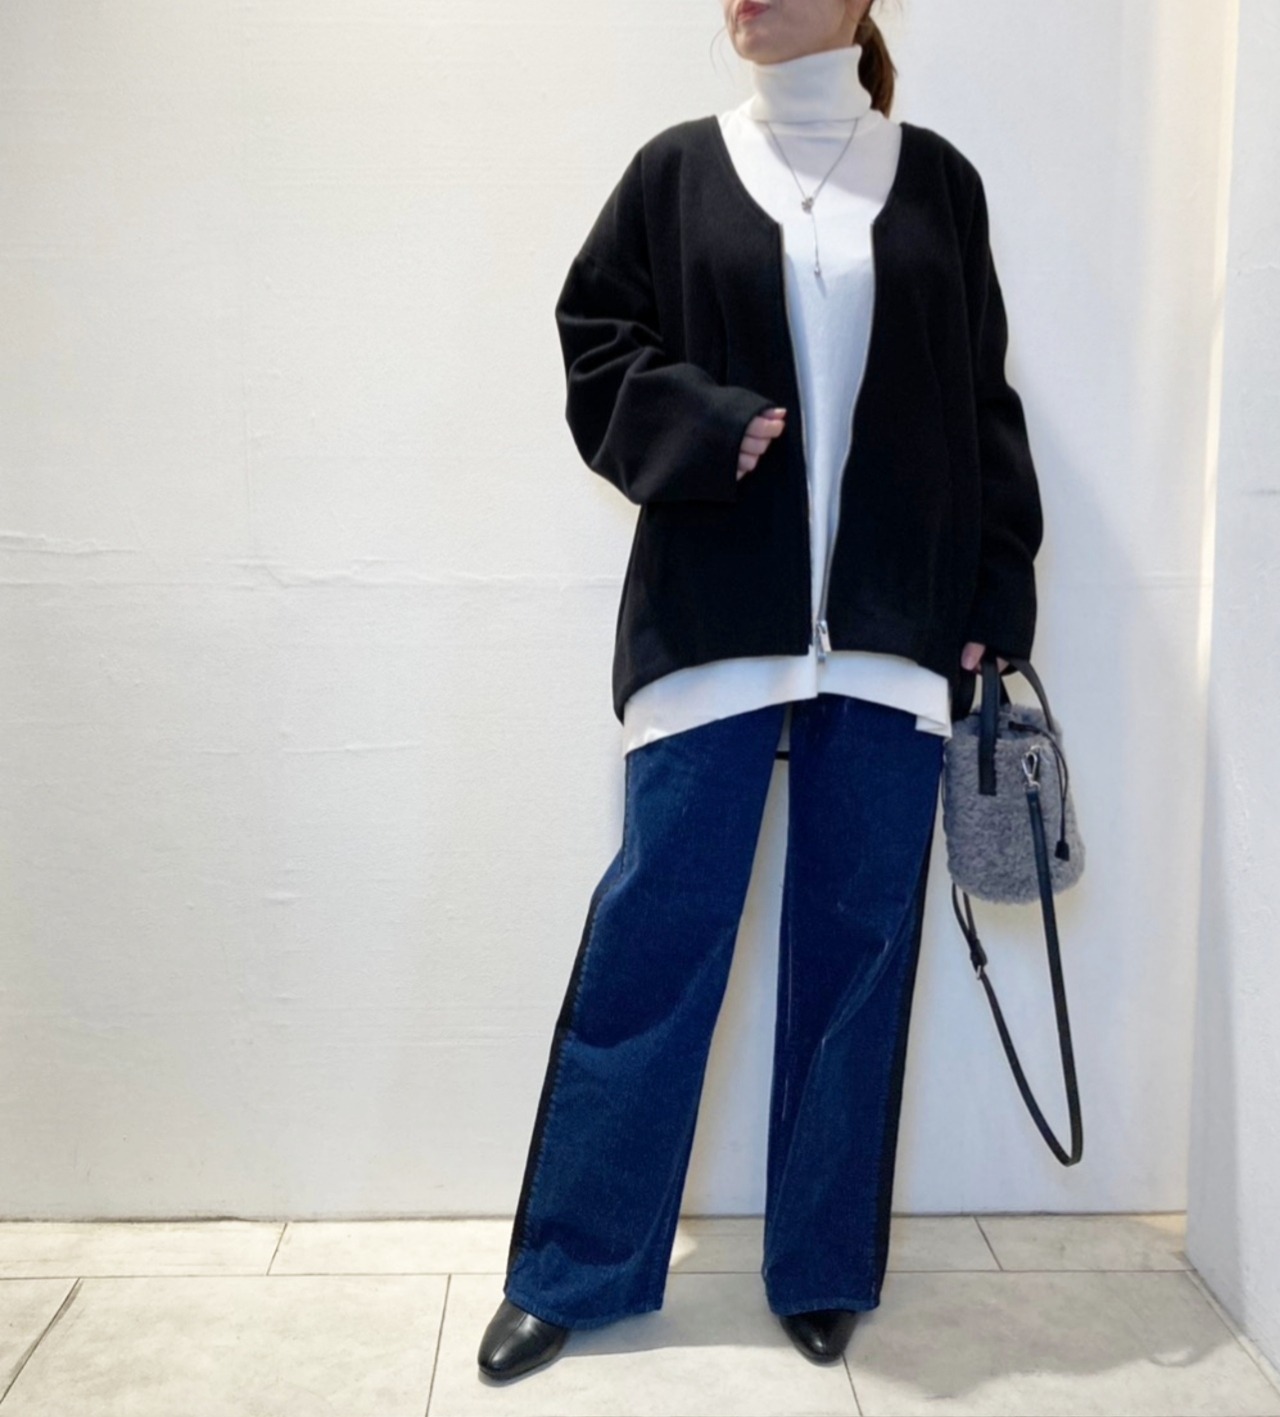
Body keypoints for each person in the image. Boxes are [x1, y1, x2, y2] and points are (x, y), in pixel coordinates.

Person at [479, 0, 1043, 1383]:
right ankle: (575, 1264)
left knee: (859, 950)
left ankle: (823, 1260)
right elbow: (595, 342)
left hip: (895, 628)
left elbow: (983, 406)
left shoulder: (939, 184)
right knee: (654, 937)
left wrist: (992, 598)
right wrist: (706, 424)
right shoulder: (676, 171)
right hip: (714, 618)